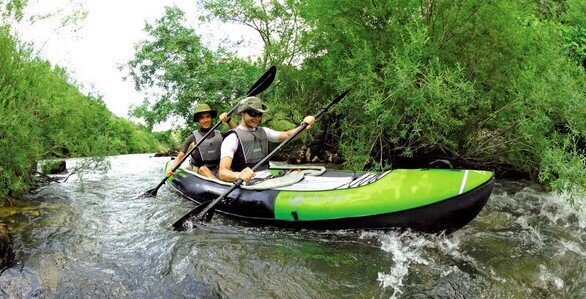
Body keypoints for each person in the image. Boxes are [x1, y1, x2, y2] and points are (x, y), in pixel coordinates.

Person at [218, 96, 316, 182]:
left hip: (267, 178)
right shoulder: (232, 138)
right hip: (249, 183)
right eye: (252, 113)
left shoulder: (264, 131)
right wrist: (238, 175)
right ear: (243, 113)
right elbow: (222, 172)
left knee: (295, 172)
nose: (256, 118)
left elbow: (287, 135)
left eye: (259, 114)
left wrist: (304, 126)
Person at [167, 103, 237, 179]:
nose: (206, 120)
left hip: (218, 170)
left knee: (228, 170)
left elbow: (237, 132)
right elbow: (180, 156)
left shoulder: (220, 135)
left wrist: (228, 120)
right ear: (198, 120)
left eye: (208, 117)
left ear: (211, 118)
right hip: (201, 172)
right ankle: (218, 183)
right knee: (203, 169)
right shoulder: (192, 138)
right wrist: (172, 168)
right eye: (202, 118)